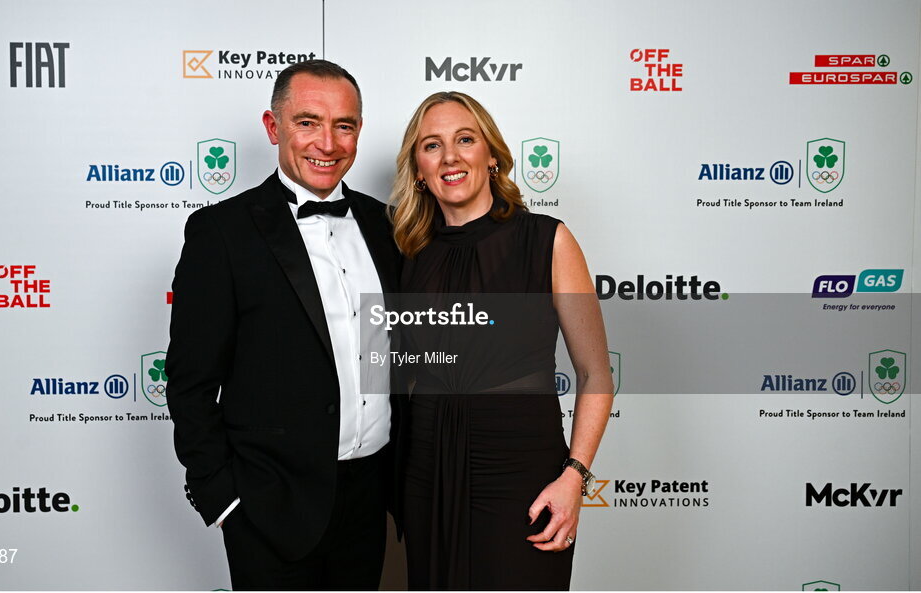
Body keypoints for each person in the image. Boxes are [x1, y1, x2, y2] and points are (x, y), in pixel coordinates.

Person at [165, 60, 401, 591]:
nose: (327, 143)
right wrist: (224, 501)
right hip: (269, 507)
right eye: (307, 122)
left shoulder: (387, 225)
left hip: (371, 499)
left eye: (344, 125)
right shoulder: (221, 232)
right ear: (274, 128)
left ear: (359, 131)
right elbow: (189, 383)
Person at [390, 91, 614, 590]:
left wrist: (574, 476)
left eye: (465, 139)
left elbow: (596, 373)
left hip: (522, 474)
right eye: (432, 145)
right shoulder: (405, 253)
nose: (450, 157)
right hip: (426, 471)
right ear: (419, 170)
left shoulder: (547, 240)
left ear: (491, 155)